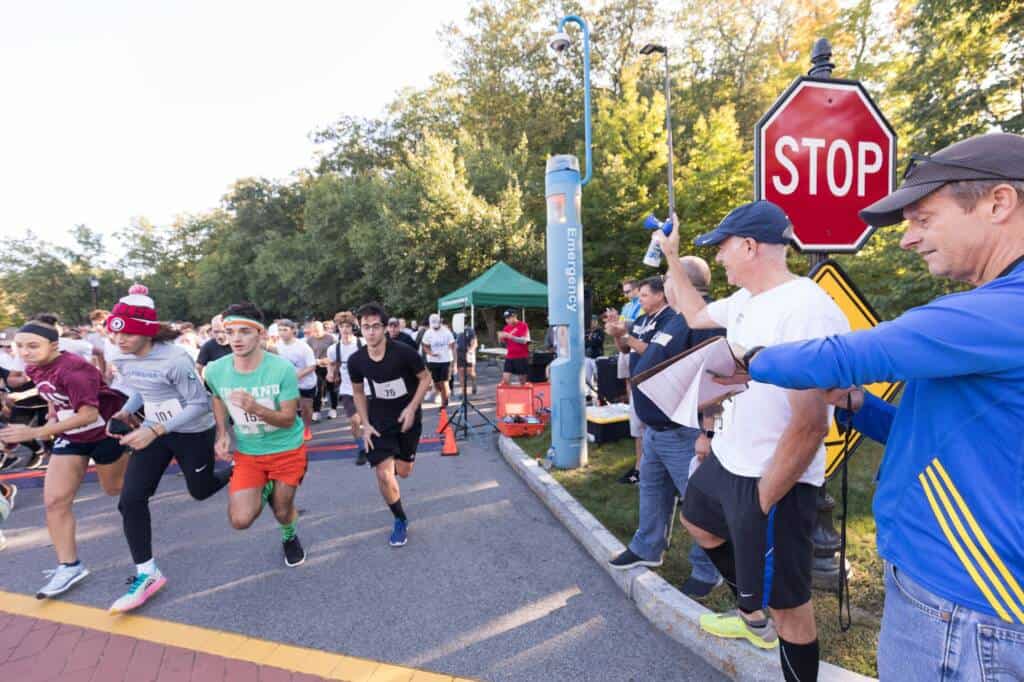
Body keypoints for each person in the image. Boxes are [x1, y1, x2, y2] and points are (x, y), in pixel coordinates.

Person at [742, 133, 1024, 681]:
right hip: (950, 596)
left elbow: (849, 353)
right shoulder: (991, 319)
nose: (907, 239)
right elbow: (927, 437)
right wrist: (858, 406)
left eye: (923, 218)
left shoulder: (1000, 313)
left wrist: (743, 356)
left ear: (998, 204)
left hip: (965, 609)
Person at [658, 201, 848, 681]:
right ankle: (752, 611)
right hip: (729, 461)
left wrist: (762, 500)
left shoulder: (806, 308)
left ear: (749, 245)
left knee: (792, 610)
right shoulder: (744, 301)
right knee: (699, 521)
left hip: (775, 479)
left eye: (722, 248)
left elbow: (810, 424)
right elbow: (695, 313)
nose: (719, 259)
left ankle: (769, 625)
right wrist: (671, 255)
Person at [105, 284, 231, 613]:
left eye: (128, 335)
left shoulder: (176, 358)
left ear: (147, 333)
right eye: (115, 335)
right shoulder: (119, 354)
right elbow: (141, 388)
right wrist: (126, 411)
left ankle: (235, 471)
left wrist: (156, 428)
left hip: (191, 429)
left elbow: (200, 404)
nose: (120, 342)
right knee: (130, 499)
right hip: (154, 430)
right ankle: (147, 573)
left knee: (200, 491)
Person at [604, 275, 723, 600]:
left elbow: (719, 375)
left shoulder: (706, 318)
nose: (663, 283)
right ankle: (648, 547)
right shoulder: (678, 318)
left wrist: (707, 430)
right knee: (652, 490)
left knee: (700, 504)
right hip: (657, 428)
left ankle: (708, 570)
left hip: (683, 431)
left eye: (669, 278)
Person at [0, 319, 130, 598]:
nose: (24, 352)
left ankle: (144, 456)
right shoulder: (34, 366)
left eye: (33, 346)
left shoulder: (74, 371)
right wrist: (52, 410)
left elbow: (88, 415)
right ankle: (69, 566)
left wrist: (36, 430)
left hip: (103, 432)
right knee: (55, 500)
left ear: (55, 346)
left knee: (115, 489)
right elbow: (49, 389)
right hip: (71, 437)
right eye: (19, 346)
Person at [206, 303, 307, 568]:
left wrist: (255, 408)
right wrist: (222, 432)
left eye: (244, 332)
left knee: (283, 510)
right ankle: (264, 487)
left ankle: (289, 535)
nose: (236, 339)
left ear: (261, 334)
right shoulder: (216, 370)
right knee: (240, 520)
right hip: (249, 452)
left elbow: (287, 419)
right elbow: (217, 396)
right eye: (230, 332)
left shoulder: (281, 369)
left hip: (286, 449)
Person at [347, 302, 431, 548]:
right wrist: (365, 423)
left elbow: (425, 378)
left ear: (385, 328)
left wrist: (412, 408)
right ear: (360, 329)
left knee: (403, 472)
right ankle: (400, 519)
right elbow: (358, 392)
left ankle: (395, 464)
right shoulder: (356, 360)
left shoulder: (404, 352)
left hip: (407, 418)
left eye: (375, 326)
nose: (371, 332)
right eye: (365, 327)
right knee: (383, 473)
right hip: (379, 419)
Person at [327, 312, 369, 466]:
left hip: (367, 389)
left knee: (369, 421)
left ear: (353, 328)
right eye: (341, 326)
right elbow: (332, 364)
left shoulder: (362, 343)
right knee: (354, 421)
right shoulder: (333, 349)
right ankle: (361, 450)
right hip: (347, 389)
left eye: (348, 326)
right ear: (337, 328)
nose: (344, 329)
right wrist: (330, 374)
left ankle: (374, 445)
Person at [613, 281, 644, 483]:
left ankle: (641, 469)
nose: (628, 296)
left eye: (629, 291)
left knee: (643, 424)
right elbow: (624, 344)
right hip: (630, 353)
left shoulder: (649, 315)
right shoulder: (627, 308)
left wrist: (623, 332)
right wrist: (618, 332)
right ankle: (640, 468)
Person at [275, 320, 317, 441]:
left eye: (285, 330)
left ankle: (306, 428)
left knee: (306, 409)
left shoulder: (303, 347)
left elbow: (312, 366)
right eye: (280, 330)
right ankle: (292, 430)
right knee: (287, 408)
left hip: (306, 383)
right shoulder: (277, 346)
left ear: (293, 330)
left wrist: (296, 377)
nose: (282, 333)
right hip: (287, 384)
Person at [304, 321, 337, 421]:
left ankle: (333, 408)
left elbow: (335, 354)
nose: (316, 333)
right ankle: (316, 411)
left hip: (329, 365)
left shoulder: (330, 338)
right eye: (314, 331)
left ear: (322, 329)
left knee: (331, 387)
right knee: (318, 388)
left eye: (317, 331)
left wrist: (324, 360)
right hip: (316, 366)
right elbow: (307, 353)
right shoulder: (310, 340)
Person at [420, 313, 455, 408]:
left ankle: (444, 403)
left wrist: (454, 363)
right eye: (433, 325)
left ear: (440, 322)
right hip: (432, 361)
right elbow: (425, 346)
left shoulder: (447, 332)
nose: (435, 327)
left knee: (444, 382)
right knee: (436, 383)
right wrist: (431, 353)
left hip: (445, 360)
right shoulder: (428, 333)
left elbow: (453, 346)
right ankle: (444, 394)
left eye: (437, 325)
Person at [499, 310, 530, 384]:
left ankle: (523, 394)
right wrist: (501, 339)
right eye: (506, 318)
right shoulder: (506, 328)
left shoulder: (523, 325)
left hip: (521, 356)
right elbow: (505, 343)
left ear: (514, 317)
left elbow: (524, 340)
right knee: (506, 379)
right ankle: (510, 394)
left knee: (522, 381)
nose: (507, 320)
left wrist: (510, 336)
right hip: (510, 356)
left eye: (509, 318)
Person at [455, 320, 478, 396]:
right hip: (459, 353)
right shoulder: (457, 331)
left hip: (468, 353)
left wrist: (471, 351)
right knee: (461, 372)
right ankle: (463, 391)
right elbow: (455, 343)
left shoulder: (470, 330)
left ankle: (474, 383)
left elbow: (475, 343)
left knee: (470, 372)